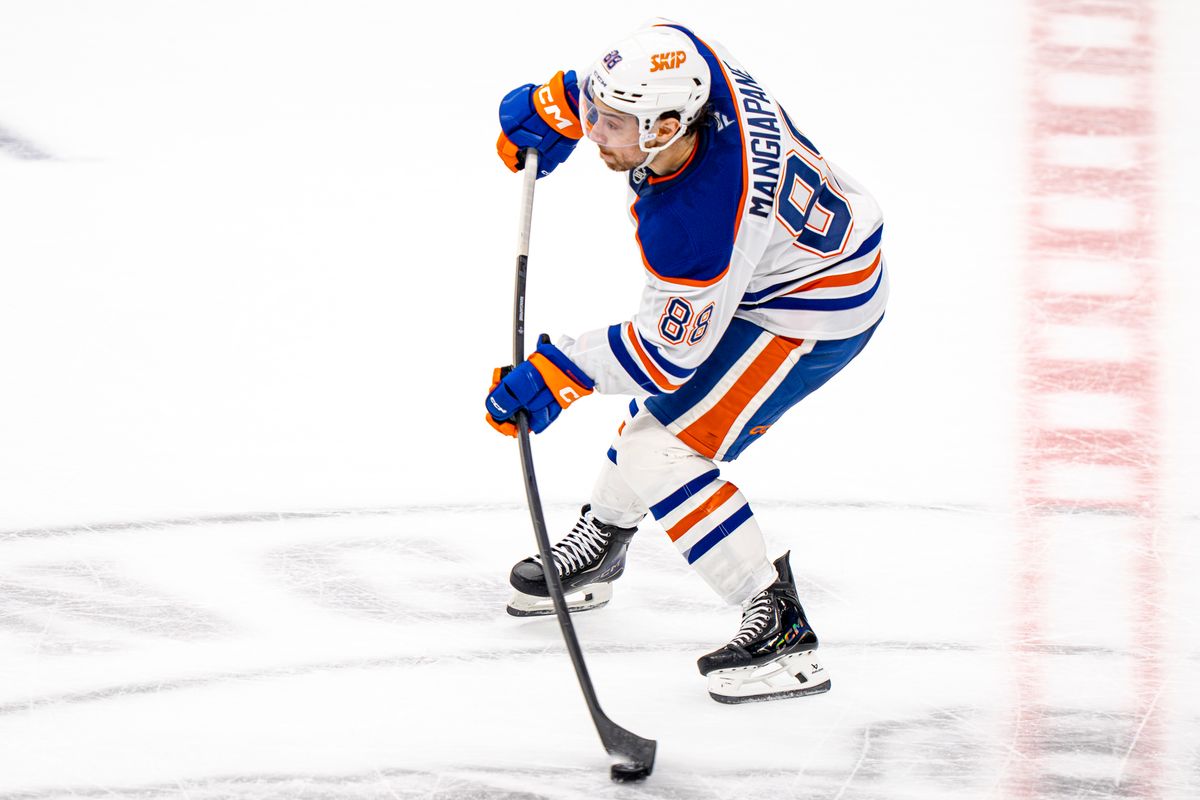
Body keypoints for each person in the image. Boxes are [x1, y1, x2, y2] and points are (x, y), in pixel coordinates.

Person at [485, 19, 887, 704]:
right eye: (596, 114)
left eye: (612, 125)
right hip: (803, 251)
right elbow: (647, 61)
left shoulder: (697, 225)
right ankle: (606, 543)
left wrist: (559, 372)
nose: (593, 131)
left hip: (809, 310)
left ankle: (779, 627)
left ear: (669, 127)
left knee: (662, 450)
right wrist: (561, 98)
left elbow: (666, 355)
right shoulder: (685, 60)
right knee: (658, 432)